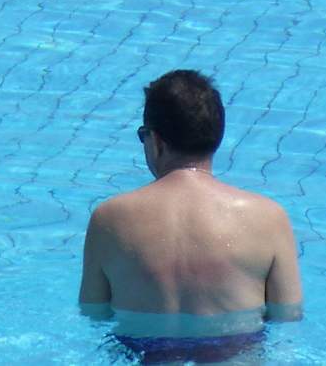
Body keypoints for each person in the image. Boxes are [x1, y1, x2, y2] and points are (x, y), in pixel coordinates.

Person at [80, 70, 302, 363]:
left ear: (156, 141)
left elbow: (94, 315)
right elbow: (288, 318)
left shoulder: (109, 219)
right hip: (236, 353)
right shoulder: (268, 218)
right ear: (217, 138)